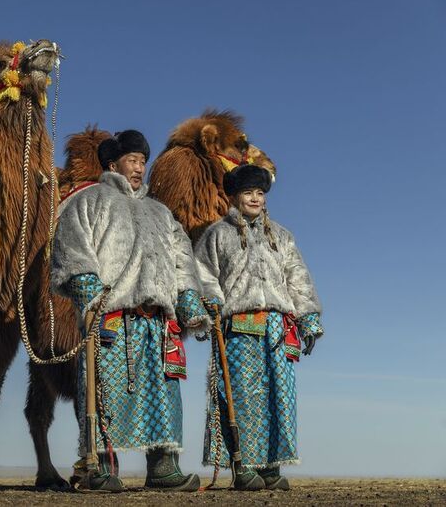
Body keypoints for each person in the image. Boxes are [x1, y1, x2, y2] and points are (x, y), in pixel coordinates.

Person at [51, 130, 210, 492]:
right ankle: (101, 468)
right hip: (112, 317)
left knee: (164, 396)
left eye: (143, 161)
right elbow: (74, 252)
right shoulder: (88, 202)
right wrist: (89, 296)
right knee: (105, 394)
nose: (140, 167)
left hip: (157, 322)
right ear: (112, 164)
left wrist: (188, 301)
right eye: (133, 160)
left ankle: (164, 467)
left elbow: (182, 259)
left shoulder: (161, 213)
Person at [195, 164, 323, 491]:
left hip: (278, 328)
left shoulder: (281, 236)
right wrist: (210, 303)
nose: (255, 198)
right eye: (248, 193)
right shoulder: (217, 234)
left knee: (279, 400)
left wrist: (308, 317)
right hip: (238, 328)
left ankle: (270, 467)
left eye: (260, 193)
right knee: (241, 399)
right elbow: (204, 275)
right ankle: (243, 466)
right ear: (235, 197)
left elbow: (298, 277)